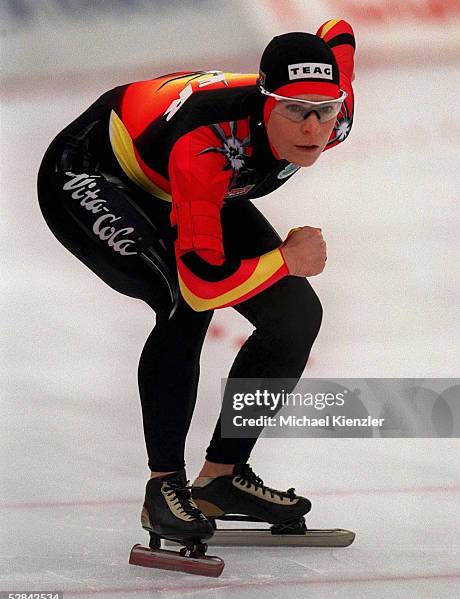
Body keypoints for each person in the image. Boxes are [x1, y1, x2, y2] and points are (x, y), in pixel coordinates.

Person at [37, 19, 355, 545]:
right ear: (264, 103)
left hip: (189, 186)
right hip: (92, 171)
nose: (312, 129)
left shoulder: (334, 112)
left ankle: (222, 479)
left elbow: (339, 33)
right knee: (181, 301)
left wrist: (330, 60)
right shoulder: (205, 140)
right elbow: (203, 284)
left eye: (324, 112)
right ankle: (163, 488)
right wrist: (284, 259)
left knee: (296, 317)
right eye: (296, 112)